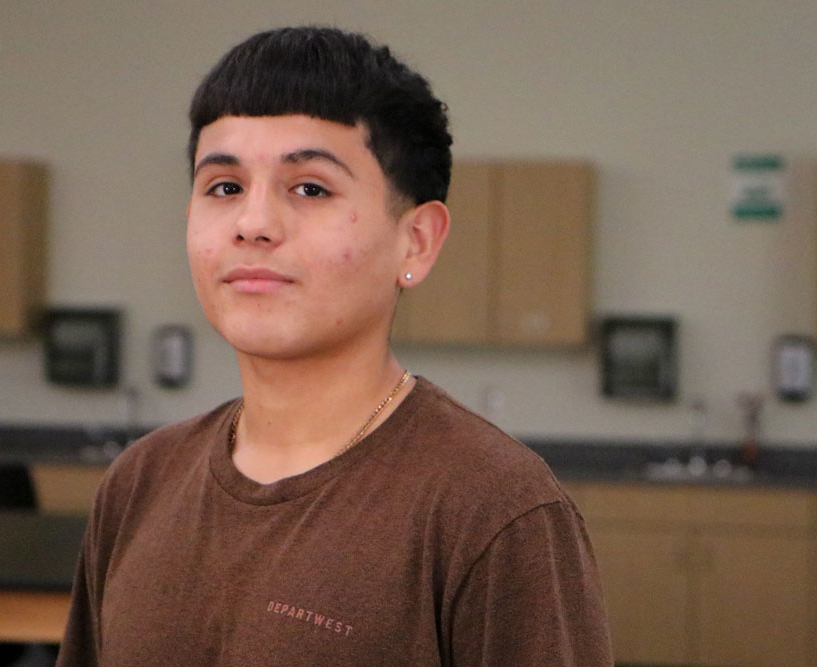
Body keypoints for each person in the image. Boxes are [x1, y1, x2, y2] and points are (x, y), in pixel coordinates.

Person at [56, 26, 612, 666]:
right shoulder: (140, 484)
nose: (254, 224)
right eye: (225, 187)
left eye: (310, 188)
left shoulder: (493, 511)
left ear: (418, 242)